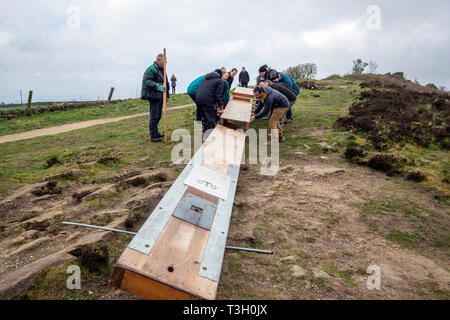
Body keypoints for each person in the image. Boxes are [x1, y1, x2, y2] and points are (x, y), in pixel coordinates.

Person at [141, 53, 170, 143]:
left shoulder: (162, 70)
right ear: (158, 60)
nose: (165, 63)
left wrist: (167, 95)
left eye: (166, 61)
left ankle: (156, 132)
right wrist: (157, 86)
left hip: (160, 96)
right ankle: (153, 135)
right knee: (154, 116)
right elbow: (147, 81)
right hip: (153, 95)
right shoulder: (151, 69)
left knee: (158, 115)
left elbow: (166, 83)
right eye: (164, 61)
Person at [196, 69, 225, 135]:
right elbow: (218, 94)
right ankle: (209, 136)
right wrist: (221, 105)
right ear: (220, 75)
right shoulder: (219, 81)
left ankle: (205, 131)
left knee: (205, 117)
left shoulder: (206, 78)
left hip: (198, 98)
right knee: (211, 119)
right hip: (207, 100)